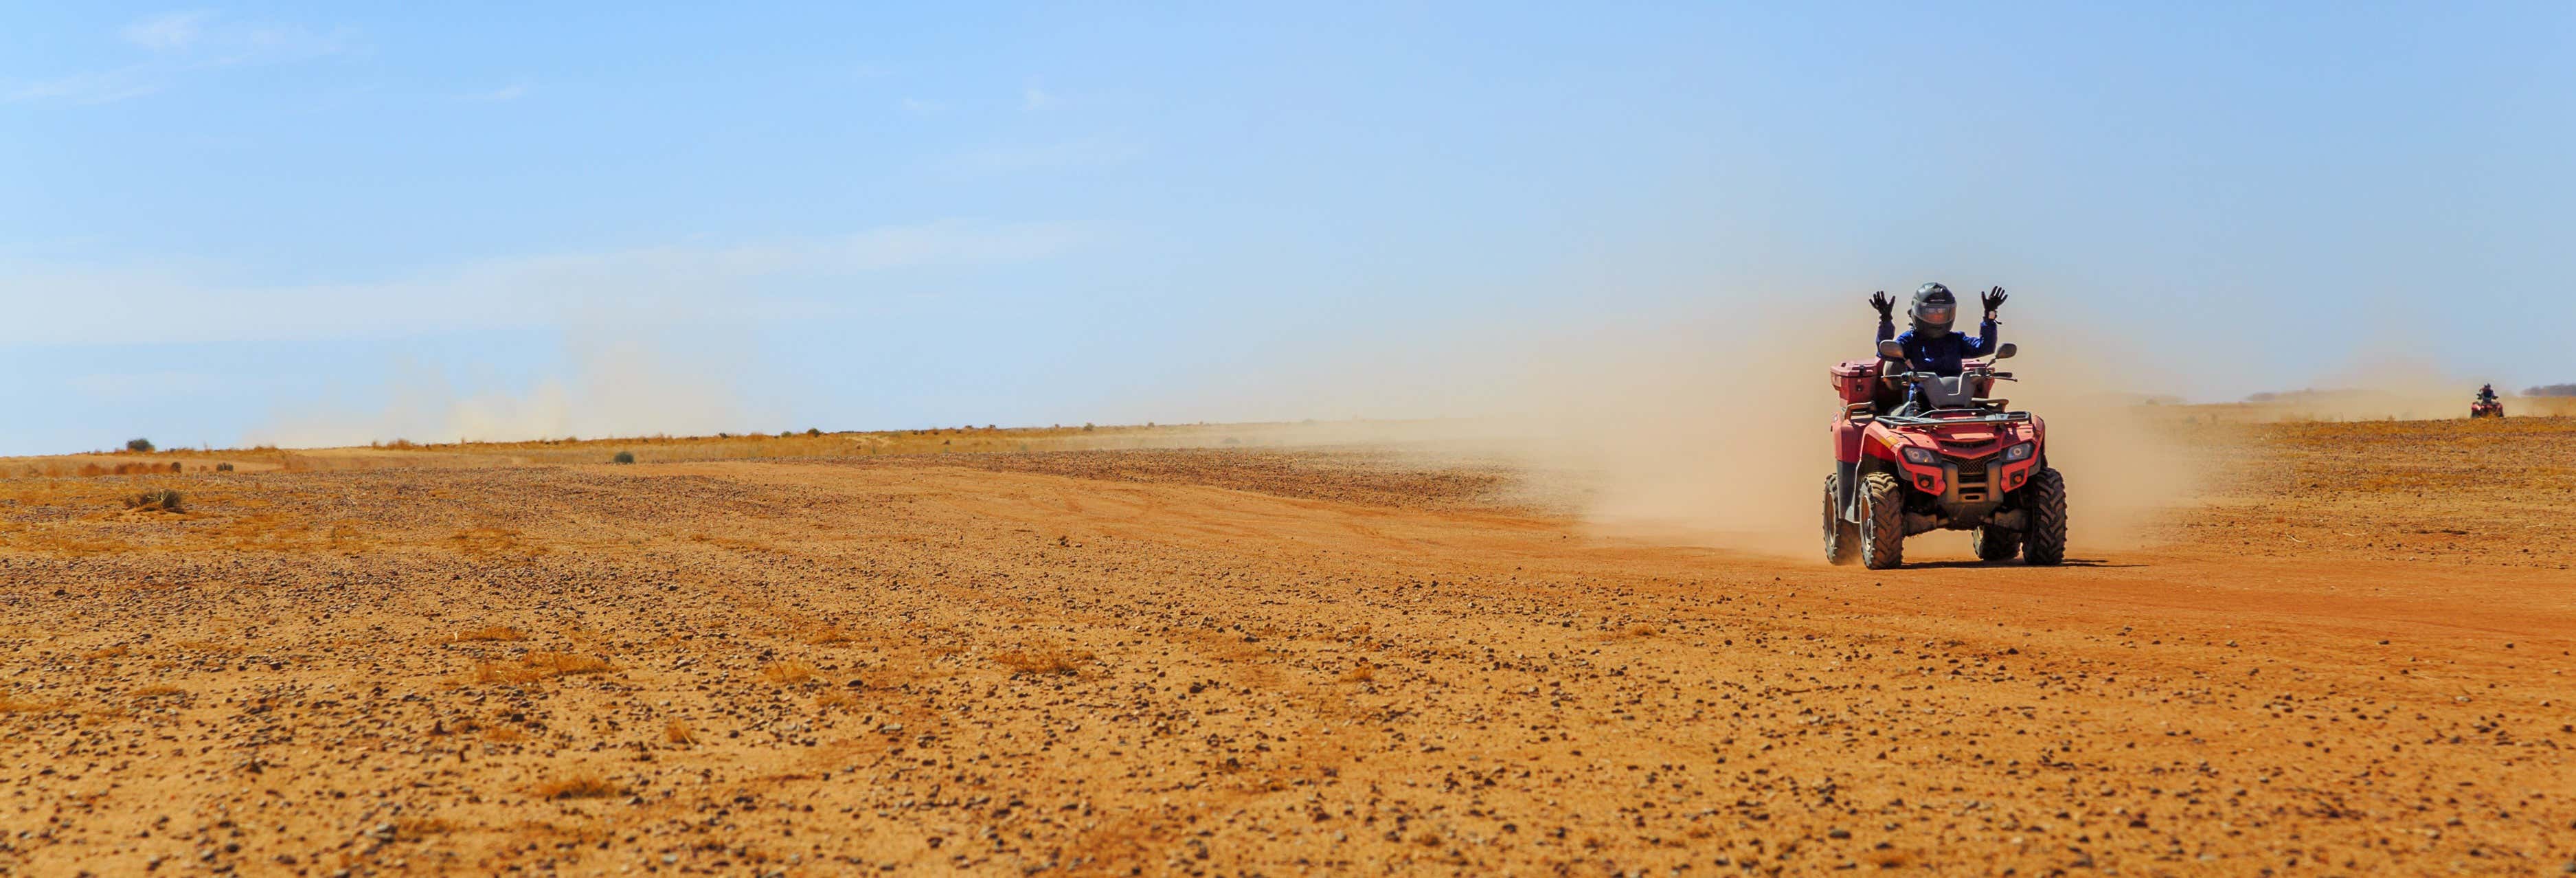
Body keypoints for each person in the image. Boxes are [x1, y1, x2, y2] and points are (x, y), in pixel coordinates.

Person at [1869, 282, 2005, 376]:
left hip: (1958, 398)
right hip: (1920, 403)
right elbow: (1885, 352)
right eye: (1931, 312)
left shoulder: (1957, 340)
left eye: (1942, 313)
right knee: (1911, 412)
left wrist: (1990, 315)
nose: (1937, 317)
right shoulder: (1910, 339)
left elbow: (1985, 347)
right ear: (1917, 312)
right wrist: (1886, 319)